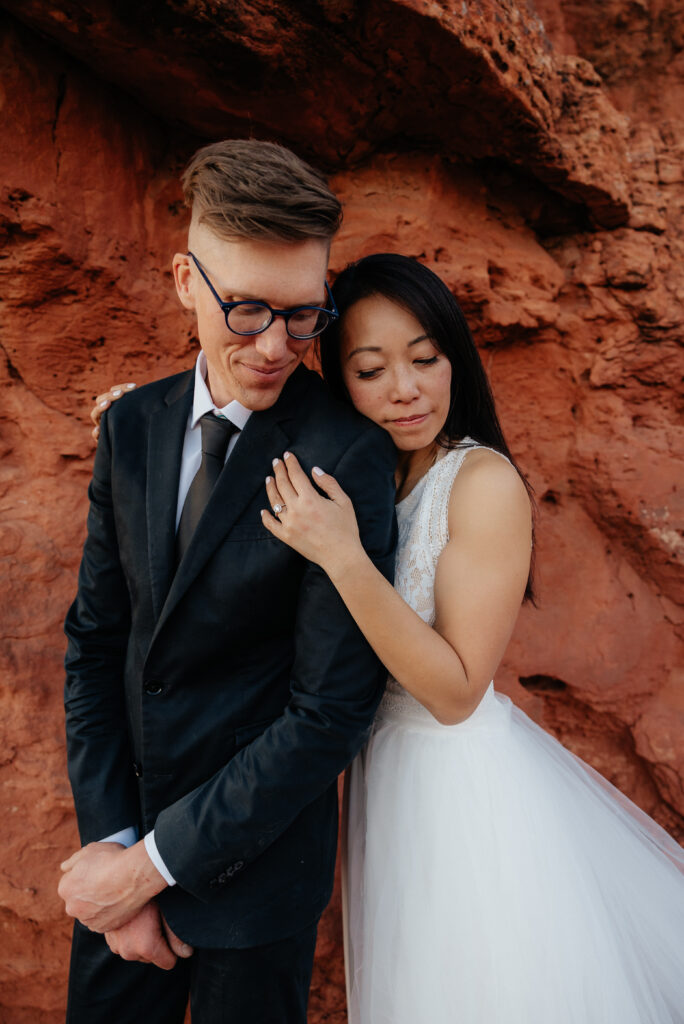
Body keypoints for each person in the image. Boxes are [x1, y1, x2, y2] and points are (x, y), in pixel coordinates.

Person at [258, 253, 684, 1023]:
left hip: (459, 793)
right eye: (370, 369)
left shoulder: (482, 484)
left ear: (455, 357)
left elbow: (456, 691)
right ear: (340, 381)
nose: (406, 388)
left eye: (425, 358)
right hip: (385, 782)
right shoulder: (369, 474)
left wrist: (345, 556)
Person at [58, 141, 397, 1024]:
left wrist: (154, 867)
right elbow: (97, 642)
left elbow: (328, 712)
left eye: (303, 314)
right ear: (184, 281)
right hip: (117, 859)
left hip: (257, 888)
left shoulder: (348, 455)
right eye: (245, 309)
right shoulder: (131, 426)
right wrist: (115, 849)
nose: (277, 346)